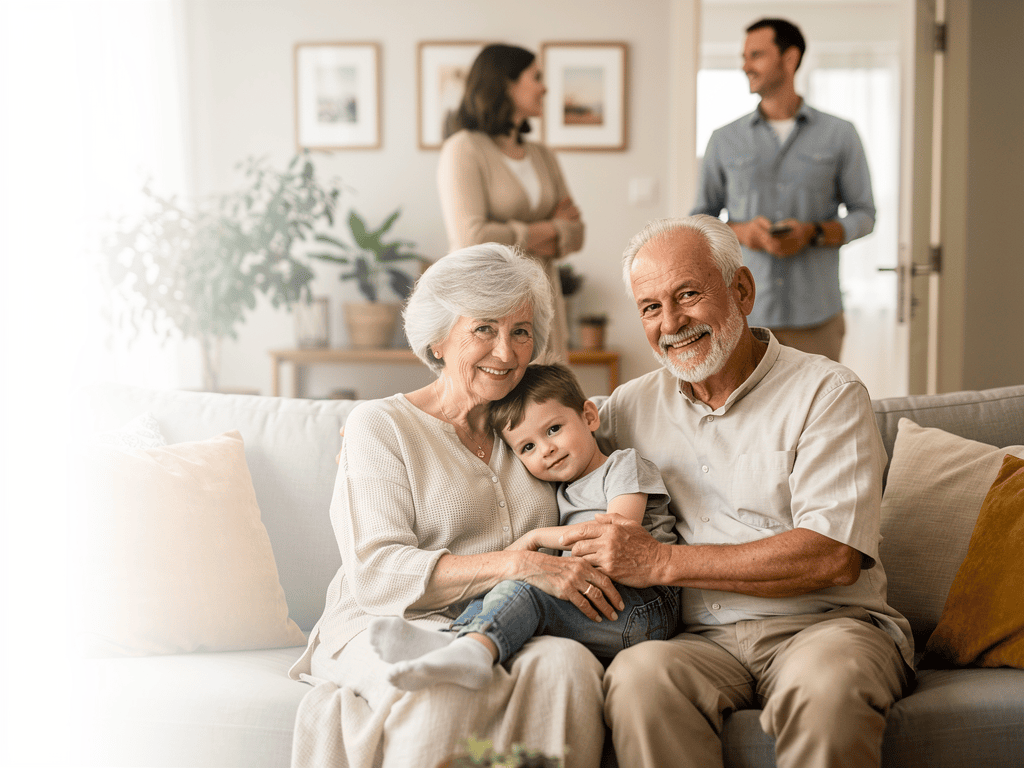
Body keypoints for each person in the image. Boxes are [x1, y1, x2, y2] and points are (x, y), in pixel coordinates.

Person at [561, 215, 914, 768]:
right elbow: (545, 442)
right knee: (638, 677)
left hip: (825, 626)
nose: (671, 323)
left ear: (742, 291)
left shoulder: (827, 392)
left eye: (688, 295)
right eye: (651, 307)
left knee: (829, 685)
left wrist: (660, 562)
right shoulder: (628, 407)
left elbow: (833, 555)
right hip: (699, 640)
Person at [288, 245, 613, 768]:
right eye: (484, 328)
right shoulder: (382, 426)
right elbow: (376, 573)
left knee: (570, 667)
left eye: (521, 331)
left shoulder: (536, 428)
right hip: (387, 621)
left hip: (499, 624)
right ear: (438, 340)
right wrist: (518, 564)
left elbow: (610, 416)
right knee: (442, 688)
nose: (505, 352)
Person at [369, 363, 679, 692]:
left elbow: (615, 539)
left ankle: (476, 652)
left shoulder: (623, 465)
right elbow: (560, 411)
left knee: (528, 589)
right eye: (527, 447)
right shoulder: (561, 487)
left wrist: (535, 538)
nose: (546, 449)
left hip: (645, 605)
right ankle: (456, 643)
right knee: (501, 582)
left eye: (554, 429)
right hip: (601, 600)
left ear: (590, 417)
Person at [691, 18, 876, 362]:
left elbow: (865, 214)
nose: (745, 66)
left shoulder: (840, 134)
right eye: (744, 56)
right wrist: (742, 232)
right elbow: (700, 220)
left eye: (756, 55)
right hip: (745, 316)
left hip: (817, 318)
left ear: (789, 59)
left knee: (821, 400)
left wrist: (813, 232)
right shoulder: (724, 139)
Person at [437, 43, 584, 362]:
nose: (545, 88)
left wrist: (515, 234)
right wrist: (551, 228)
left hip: (543, 305)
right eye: (536, 77)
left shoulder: (543, 155)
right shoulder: (463, 148)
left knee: (548, 389)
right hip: (487, 307)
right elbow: (471, 238)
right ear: (506, 83)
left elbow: (576, 233)